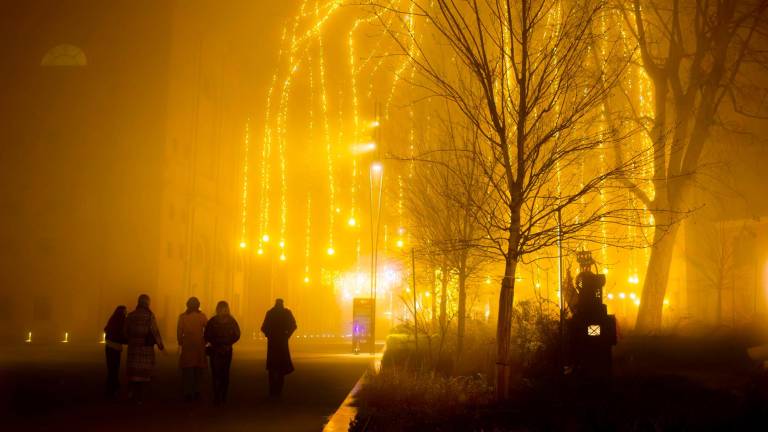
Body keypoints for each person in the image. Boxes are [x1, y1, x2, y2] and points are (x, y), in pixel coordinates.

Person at [124, 294, 164, 404]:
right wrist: (161, 345)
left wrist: (131, 339)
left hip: (133, 348)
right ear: (147, 303)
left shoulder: (131, 315)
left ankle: (130, 393)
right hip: (146, 349)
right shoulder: (150, 316)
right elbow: (155, 331)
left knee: (133, 373)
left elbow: (125, 331)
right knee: (142, 375)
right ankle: (139, 398)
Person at [204, 300, 241, 404]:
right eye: (221, 309)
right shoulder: (230, 321)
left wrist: (215, 341)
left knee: (221, 373)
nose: (222, 311)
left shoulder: (213, 321)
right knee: (220, 374)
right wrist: (228, 341)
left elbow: (207, 335)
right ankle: (220, 396)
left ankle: (220, 396)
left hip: (220, 349)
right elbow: (237, 334)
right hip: (222, 349)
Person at [260, 298, 297, 397]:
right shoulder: (287, 313)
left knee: (272, 368)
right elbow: (294, 325)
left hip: (272, 343)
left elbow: (263, 327)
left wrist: (269, 335)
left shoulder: (270, 313)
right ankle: (278, 391)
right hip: (282, 342)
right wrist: (287, 334)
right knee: (281, 368)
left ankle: (272, 391)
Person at [177, 296, 207, 401]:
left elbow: (179, 332)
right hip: (199, 344)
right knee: (198, 369)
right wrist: (205, 341)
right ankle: (197, 390)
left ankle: (188, 391)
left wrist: (180, 342)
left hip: (188, 344)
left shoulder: (183, 317)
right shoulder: (202, 316)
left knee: (188, 369)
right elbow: (207, 330)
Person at [103, 305, 127, 399]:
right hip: (115, 347)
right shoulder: (121, 321)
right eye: (125, 311)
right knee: (114, 368)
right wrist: (128, 341)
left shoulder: (112, 319)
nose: (126, 313)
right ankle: (113, 387)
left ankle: (111, 387)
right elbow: (121, 335)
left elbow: (106, 329)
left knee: (111, 368)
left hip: (109, 346)